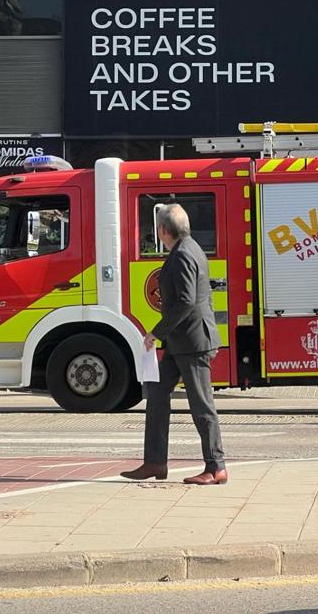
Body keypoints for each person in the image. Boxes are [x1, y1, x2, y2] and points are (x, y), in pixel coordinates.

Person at [122, 203, 226, 486]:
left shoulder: (182, 254)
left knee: (201, 405)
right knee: (156, 393)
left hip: (193, 342)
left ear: (163, 230)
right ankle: (155, 462)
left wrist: (155, 333)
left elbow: (185, 301)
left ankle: (216, 466)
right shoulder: (189, 248)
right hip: (182, 341)